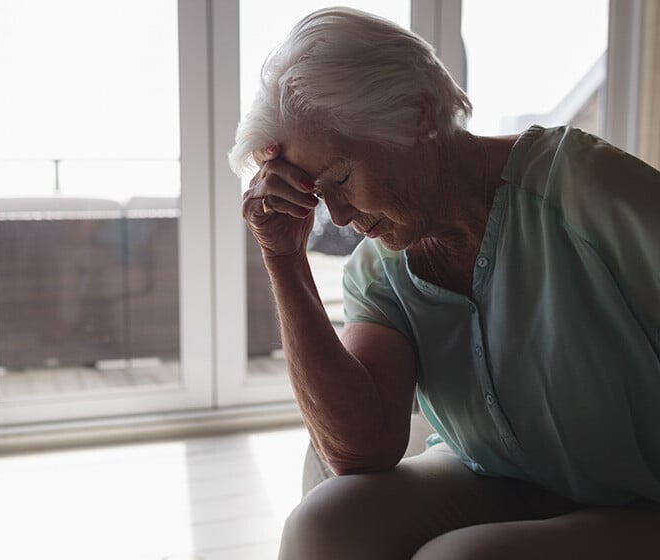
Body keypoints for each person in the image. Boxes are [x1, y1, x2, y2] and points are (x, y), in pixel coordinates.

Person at [229, 7, 660, 559]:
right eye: (318, 194)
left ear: (416, 116)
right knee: (324, 526)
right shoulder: (379, 271)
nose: (335, 217)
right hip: (498, 476)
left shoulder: (580, 188)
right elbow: (361, 451)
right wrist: (282, 257)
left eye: (340, 178)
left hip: (642, 498)